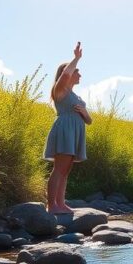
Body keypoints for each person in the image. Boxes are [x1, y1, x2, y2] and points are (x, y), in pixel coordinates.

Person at [44, 42, 92, 214]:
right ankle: (51, 206)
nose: (79, 74)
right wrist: (76, 58)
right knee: (59, 168)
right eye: (76, 71)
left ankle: (60, 203)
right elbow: (65, 74)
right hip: (64, 131)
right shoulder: (61, 90)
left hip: (75, 133)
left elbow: (89, 121)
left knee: (66, 170)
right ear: (69, 74)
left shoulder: (76, 96)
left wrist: (85, 113)